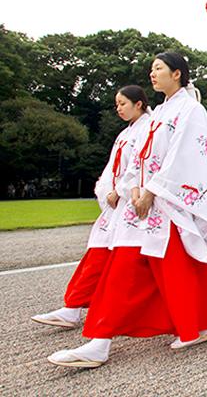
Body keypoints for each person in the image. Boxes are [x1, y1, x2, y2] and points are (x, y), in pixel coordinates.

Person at [47, 53, 207, 368]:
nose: (152, 73)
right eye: (151, 69)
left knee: (156, 269)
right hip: (144, 205)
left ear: (177, 74)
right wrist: (133, 186)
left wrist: (151, 189)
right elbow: (141, 156)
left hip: (166, 203)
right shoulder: (160, 112)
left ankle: (101, 340)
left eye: (158, 68)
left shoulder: (191, 110)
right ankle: (111, 338)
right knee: (161, 270)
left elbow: (186, 157)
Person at [32, 86, 150, 330]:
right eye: (116, 104)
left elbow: (141, 165)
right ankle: (73, 307)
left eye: (123, 103)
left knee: (132, 264)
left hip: (134, 203)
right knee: (98, 252)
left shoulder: (149, 128)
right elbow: (111, 167)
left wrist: (122, 190)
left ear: (138, 104)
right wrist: (106, 189)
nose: (118, 108)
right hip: (116, 205)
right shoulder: (124, 134)